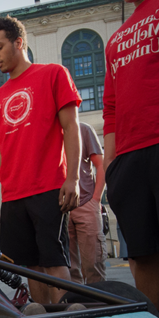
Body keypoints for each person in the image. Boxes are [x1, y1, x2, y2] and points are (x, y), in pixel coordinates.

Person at [0, 15, 82, 304]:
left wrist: (72, 178)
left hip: (48, 188)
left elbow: (71, 127)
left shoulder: (53, 74)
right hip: (13, 197)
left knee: (54, 262)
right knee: (32, 268)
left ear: (18, 43)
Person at [100, 0, 159, 317]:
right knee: (143, 255)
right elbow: (110, 107)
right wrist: (112, 166)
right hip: (129, 160)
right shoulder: (117, 39)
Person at [68, 122, 107, 284]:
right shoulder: (46, 131)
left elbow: (101, 164)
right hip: (59, 208)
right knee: (68, 269)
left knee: (93, 265)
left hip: (85, 203)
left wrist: (96, 199)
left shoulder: (83, 129)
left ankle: (98, 306)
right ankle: (75, 306)